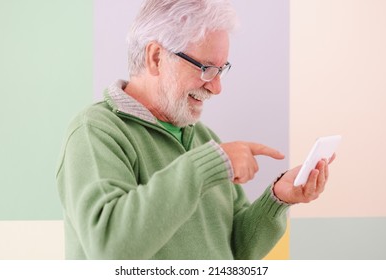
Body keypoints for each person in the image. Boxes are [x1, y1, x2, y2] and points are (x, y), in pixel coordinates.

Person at [56, 0, 334, 260]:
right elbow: (109, 248)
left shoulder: (203, 138)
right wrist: (209, 165)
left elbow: (236, 251)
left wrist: (277, 199)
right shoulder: (96, 132)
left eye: (220, 69)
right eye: (206, 68)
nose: (216, 87)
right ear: (156, 58)